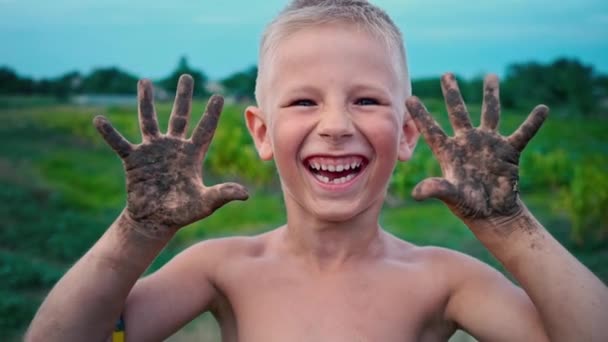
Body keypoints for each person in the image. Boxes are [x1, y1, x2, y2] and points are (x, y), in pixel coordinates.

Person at [26, 0, 608, 341]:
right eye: (304, 101)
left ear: (407, 133)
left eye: (367, 100)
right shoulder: (222, 267)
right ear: (260, 131)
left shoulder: (444, 280)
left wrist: (508, 225)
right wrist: (139, 229)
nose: (335, 125)